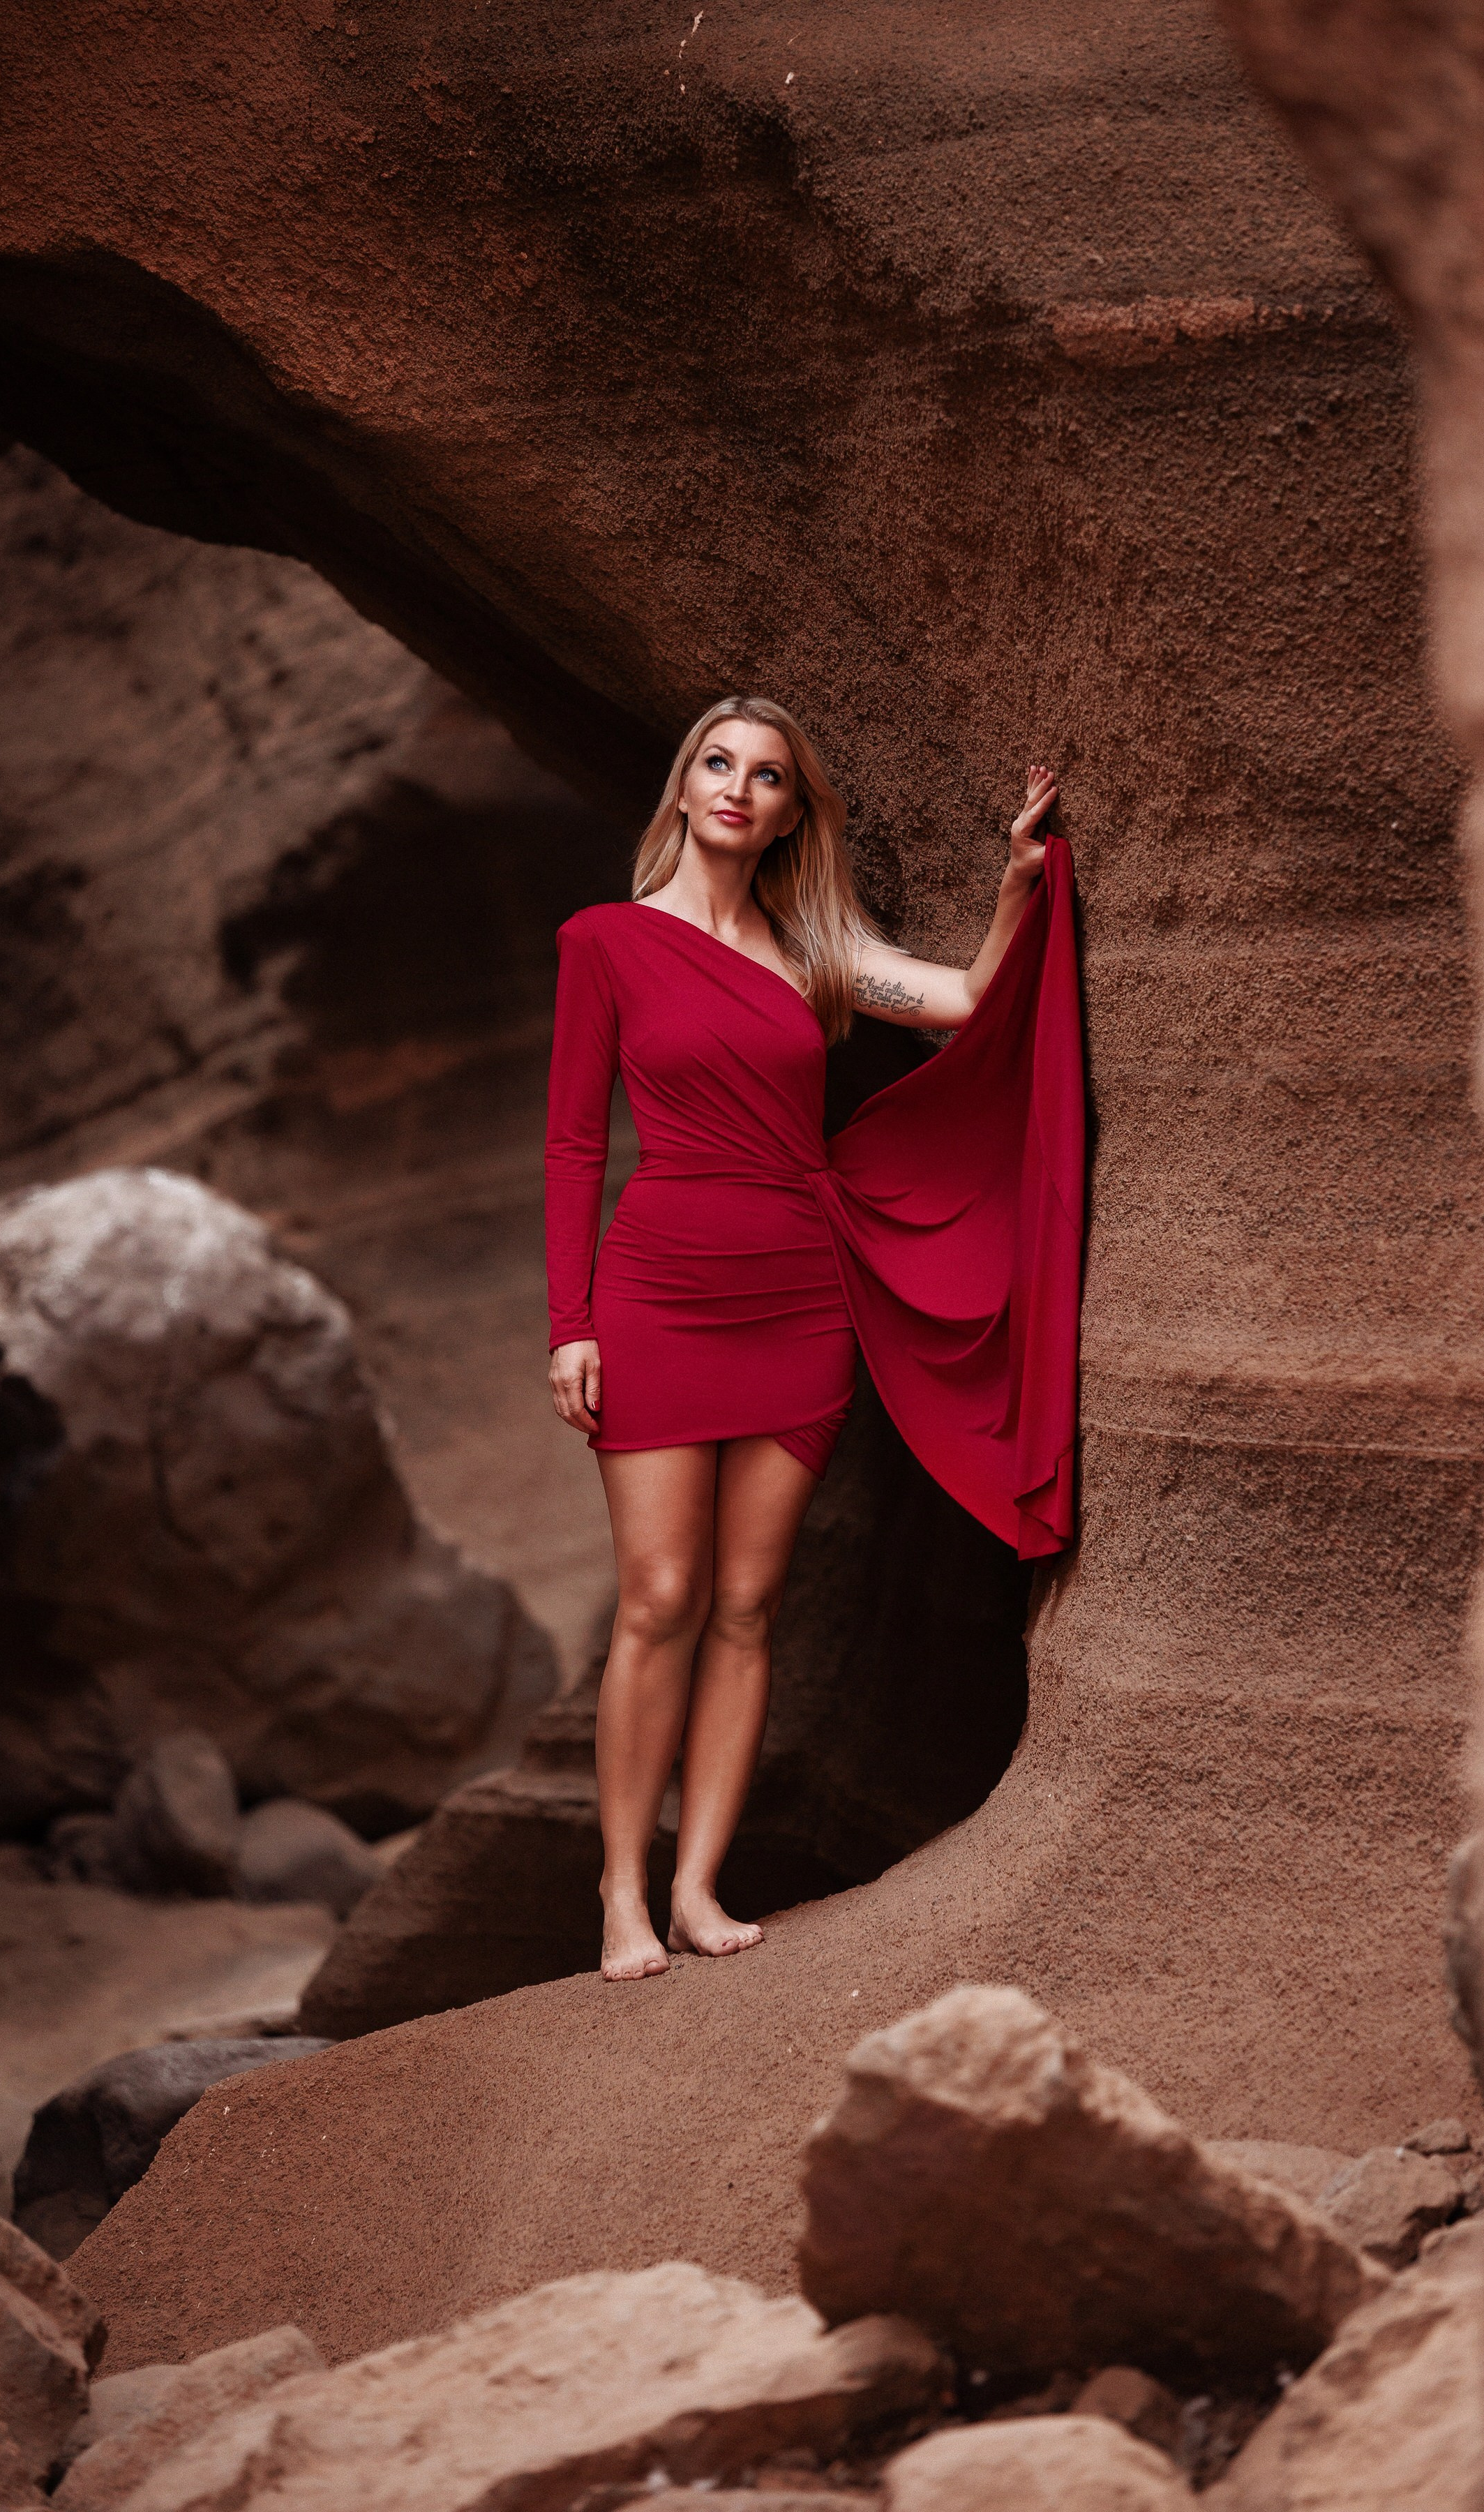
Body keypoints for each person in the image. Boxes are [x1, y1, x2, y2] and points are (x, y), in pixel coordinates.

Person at [546, 696, 1084, 1982]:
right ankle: (619, 1894)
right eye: (718, 766)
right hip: (659, 1293)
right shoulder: (605, 943)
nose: (739, 789)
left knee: (745, 1607)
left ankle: (696, 1890)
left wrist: (1020, 883)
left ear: (793, 809)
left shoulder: (811, 948)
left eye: (769, 776)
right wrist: (569, 1324)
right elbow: (574, 1144)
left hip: (799, 1296)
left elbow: (961, 1003)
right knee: (660, 1597)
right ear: (683, 790)